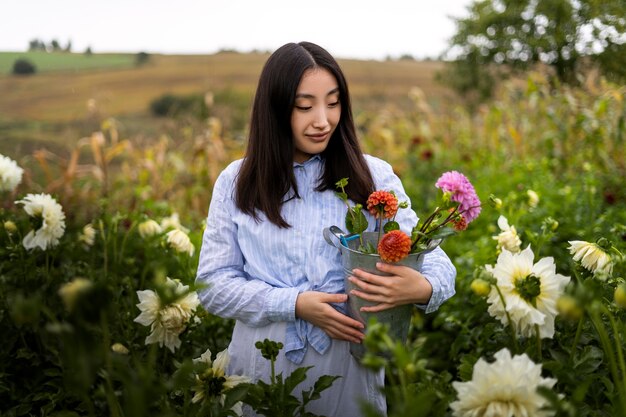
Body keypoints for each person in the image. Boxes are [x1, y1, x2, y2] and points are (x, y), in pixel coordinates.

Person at [196, 41, 456, 416]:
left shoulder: (373, 176)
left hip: (348, 371)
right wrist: (294, 304)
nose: (322, 120)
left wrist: (422, 286)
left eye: (333, 103)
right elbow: (214, 286)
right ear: (275, 109)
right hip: (261, 369)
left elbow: (437, 262)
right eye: (305, 106)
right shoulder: (237, 181)